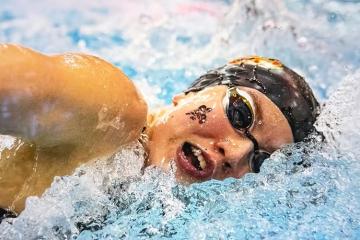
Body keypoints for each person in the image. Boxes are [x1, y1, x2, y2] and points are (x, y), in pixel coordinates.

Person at [0, 44, 319, 217]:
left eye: (261, 161)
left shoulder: (176, 214)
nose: (236, 153)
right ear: (194, 92)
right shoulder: (116, 112)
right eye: (241, 113)